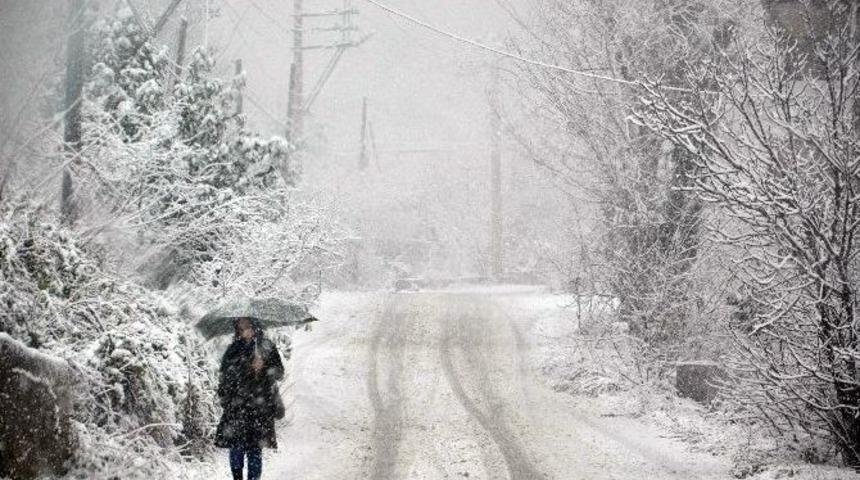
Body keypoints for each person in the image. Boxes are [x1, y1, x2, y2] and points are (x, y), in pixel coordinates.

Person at [215, 317, 285, 480]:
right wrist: (228, 399)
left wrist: (264, 367)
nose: (244, 330)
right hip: (237, 408)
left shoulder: (266, 346)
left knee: (255, 450)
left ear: (254, 326)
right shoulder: (233, 349)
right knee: (236, 448)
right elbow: (224, 377)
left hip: (259, 407)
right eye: (240, 328)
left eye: (246, 326)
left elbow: (279, 373)